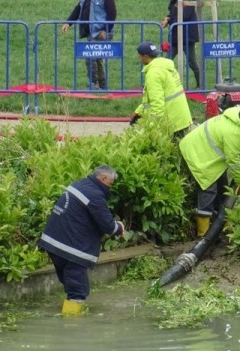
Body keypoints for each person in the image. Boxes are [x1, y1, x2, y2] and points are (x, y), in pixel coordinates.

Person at [38, 165, 125, 316]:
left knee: (71, 286)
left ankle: (68, 313)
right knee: (78, 290)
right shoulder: (95, 194)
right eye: (110, 183)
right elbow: (108, 226)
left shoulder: (79, 184)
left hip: (53, 244)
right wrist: (119, 227)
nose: (110, 187)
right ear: (103, 178)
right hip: (71, 249)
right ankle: (71, 326)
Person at [179, 107, 240, 237]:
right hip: (197, 154)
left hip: (205, 152)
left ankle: (221, 226)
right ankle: (203, 235)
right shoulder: (233, 132)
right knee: (209, 190)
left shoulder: (237, 119)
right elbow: (233, 162)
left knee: (224, 189)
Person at [131, 41, 193, 141]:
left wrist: (153, 127)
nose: (139, 59)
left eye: (139, 56)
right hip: (182, 118)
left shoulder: (153, 73)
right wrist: (139, 112)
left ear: (145, 56)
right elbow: (151, 99)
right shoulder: (166, 66)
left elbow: (157, 103)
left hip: (172, 123)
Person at [62, 0, 117, 90]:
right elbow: (78, 9)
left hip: (100, 33)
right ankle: (102, 85)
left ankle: (94, 84)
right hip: (91, 33)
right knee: (97, 59)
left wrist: (105, 29)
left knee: (90, 57)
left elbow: (112, 13)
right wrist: (68, 23)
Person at [162, 0, 201, 89]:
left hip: (187, 37)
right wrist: (167, 19)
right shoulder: (173, 2)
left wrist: (176, 9)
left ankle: (200, 85)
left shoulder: (189, 3)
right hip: (175, 38)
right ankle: (163, 83)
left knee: (192, 62)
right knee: (167, 61)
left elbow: (184, 16)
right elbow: (172, 14)